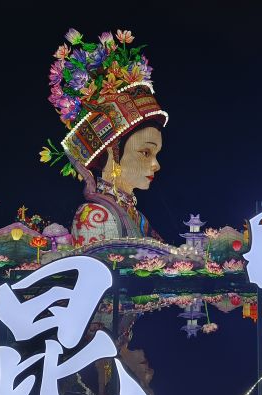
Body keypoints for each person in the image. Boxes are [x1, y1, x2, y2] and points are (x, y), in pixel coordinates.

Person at [42, 28, 168, 246]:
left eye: (155, 154)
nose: (156, 165)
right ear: (112, 151)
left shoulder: (136, 217)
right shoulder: (95, 215)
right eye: (146, 152)